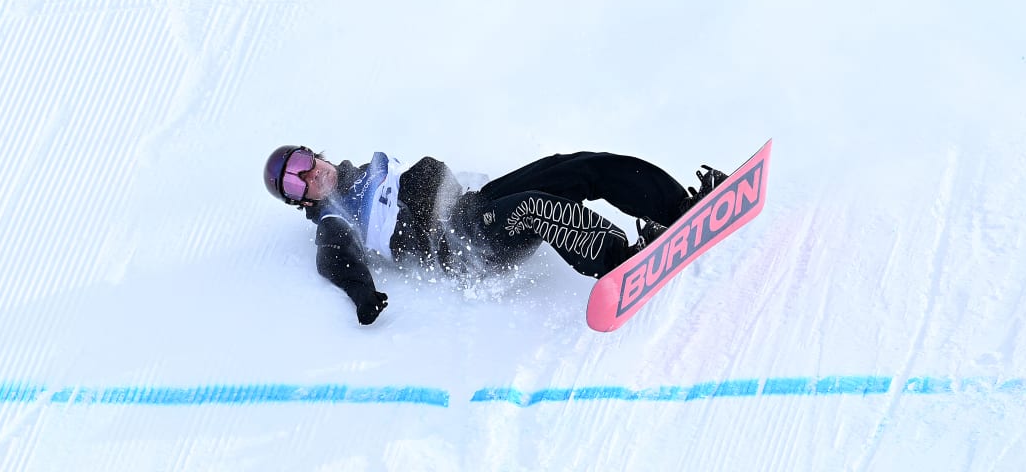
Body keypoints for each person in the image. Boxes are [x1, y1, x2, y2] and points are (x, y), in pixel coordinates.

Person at [263, 147, 727, 325]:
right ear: (297, 201)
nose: (307, 177)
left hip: (472, 206)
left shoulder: (366, 173)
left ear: (314, 153)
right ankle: (619, 259)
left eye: (303, 163)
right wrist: (363, 295)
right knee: (534, 209)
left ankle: (679, 208)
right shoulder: (333, 223)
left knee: (575, 168)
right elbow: (336, 261)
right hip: (462, 249)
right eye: (293, 183)